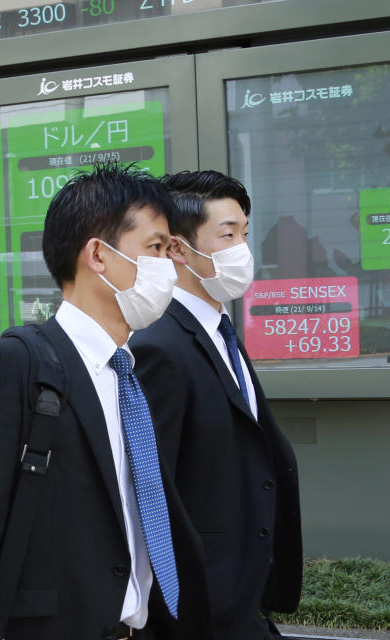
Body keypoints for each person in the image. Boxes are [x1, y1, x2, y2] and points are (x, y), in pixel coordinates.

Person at [0, 165, 214, 640]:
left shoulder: (130, 372)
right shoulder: (11, 367)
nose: (170, 265)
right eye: (156, 248)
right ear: (98, 256)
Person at [129, 170, 302, 639]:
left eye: (245, 233)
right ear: (179, 250)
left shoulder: (221, 332)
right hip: (202, 606)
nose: (242, 249)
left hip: (243, 597)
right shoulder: (158, 346)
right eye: (227, 235)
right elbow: (151, 493)